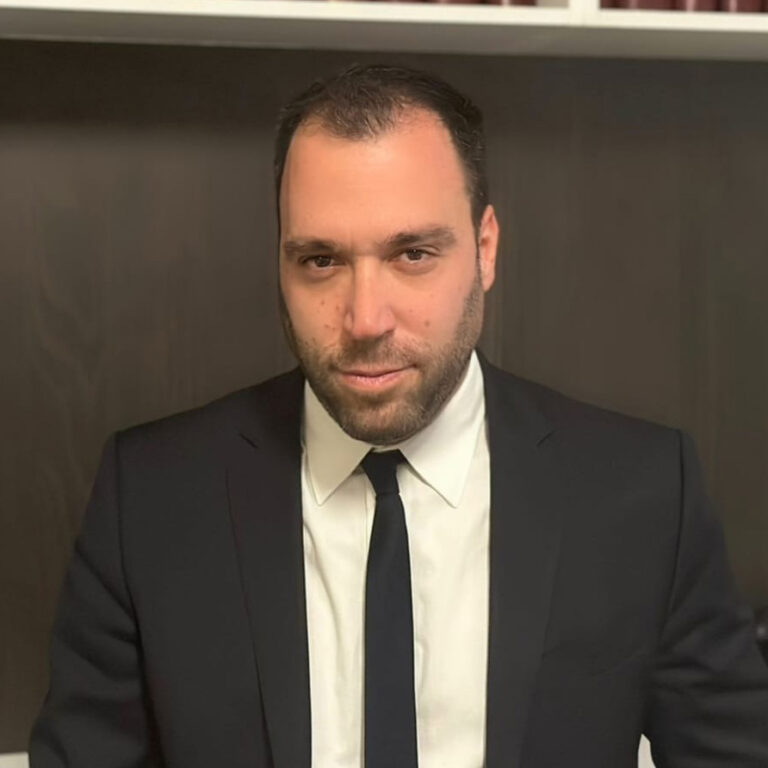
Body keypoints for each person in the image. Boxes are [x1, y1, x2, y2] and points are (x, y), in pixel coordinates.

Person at [30, 63, 768, 767]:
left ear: (484, 250)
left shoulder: (642, 495)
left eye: (412, 253)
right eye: (320, 260)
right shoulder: (153, 498)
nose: (364, 318)